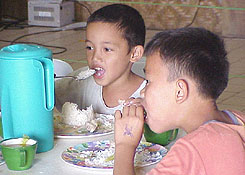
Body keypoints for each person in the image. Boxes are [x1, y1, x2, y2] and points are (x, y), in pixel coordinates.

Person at [114, 27, 245, 175]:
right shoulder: (237, 119)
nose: (143, 92)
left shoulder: (193, 150)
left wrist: (124, 145)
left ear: (180, 91)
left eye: (149, 82)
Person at [55, 4, 147, 114]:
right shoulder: (81, 83)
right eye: (90, 47)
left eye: (107, 49)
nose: (95, 57)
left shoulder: (148, 98)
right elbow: (47, 93)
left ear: (134, 53)